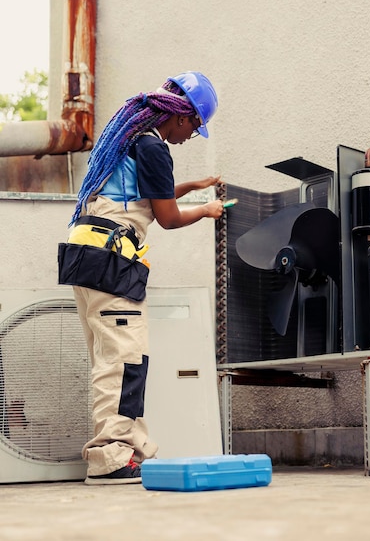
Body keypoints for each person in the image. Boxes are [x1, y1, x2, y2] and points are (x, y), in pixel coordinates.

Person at [58, 71, 224, 485]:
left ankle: (120, 450)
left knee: (110, 357)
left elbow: (148, 194)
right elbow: (165, 217)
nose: (191, 136)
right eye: (196, 127)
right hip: (111, 259)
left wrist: (193, 187)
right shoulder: (153, 146)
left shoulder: (132, 139)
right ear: (182, 117)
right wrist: (206, 210)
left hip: (87, 253)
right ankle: (112, 457)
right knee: (125, 358)